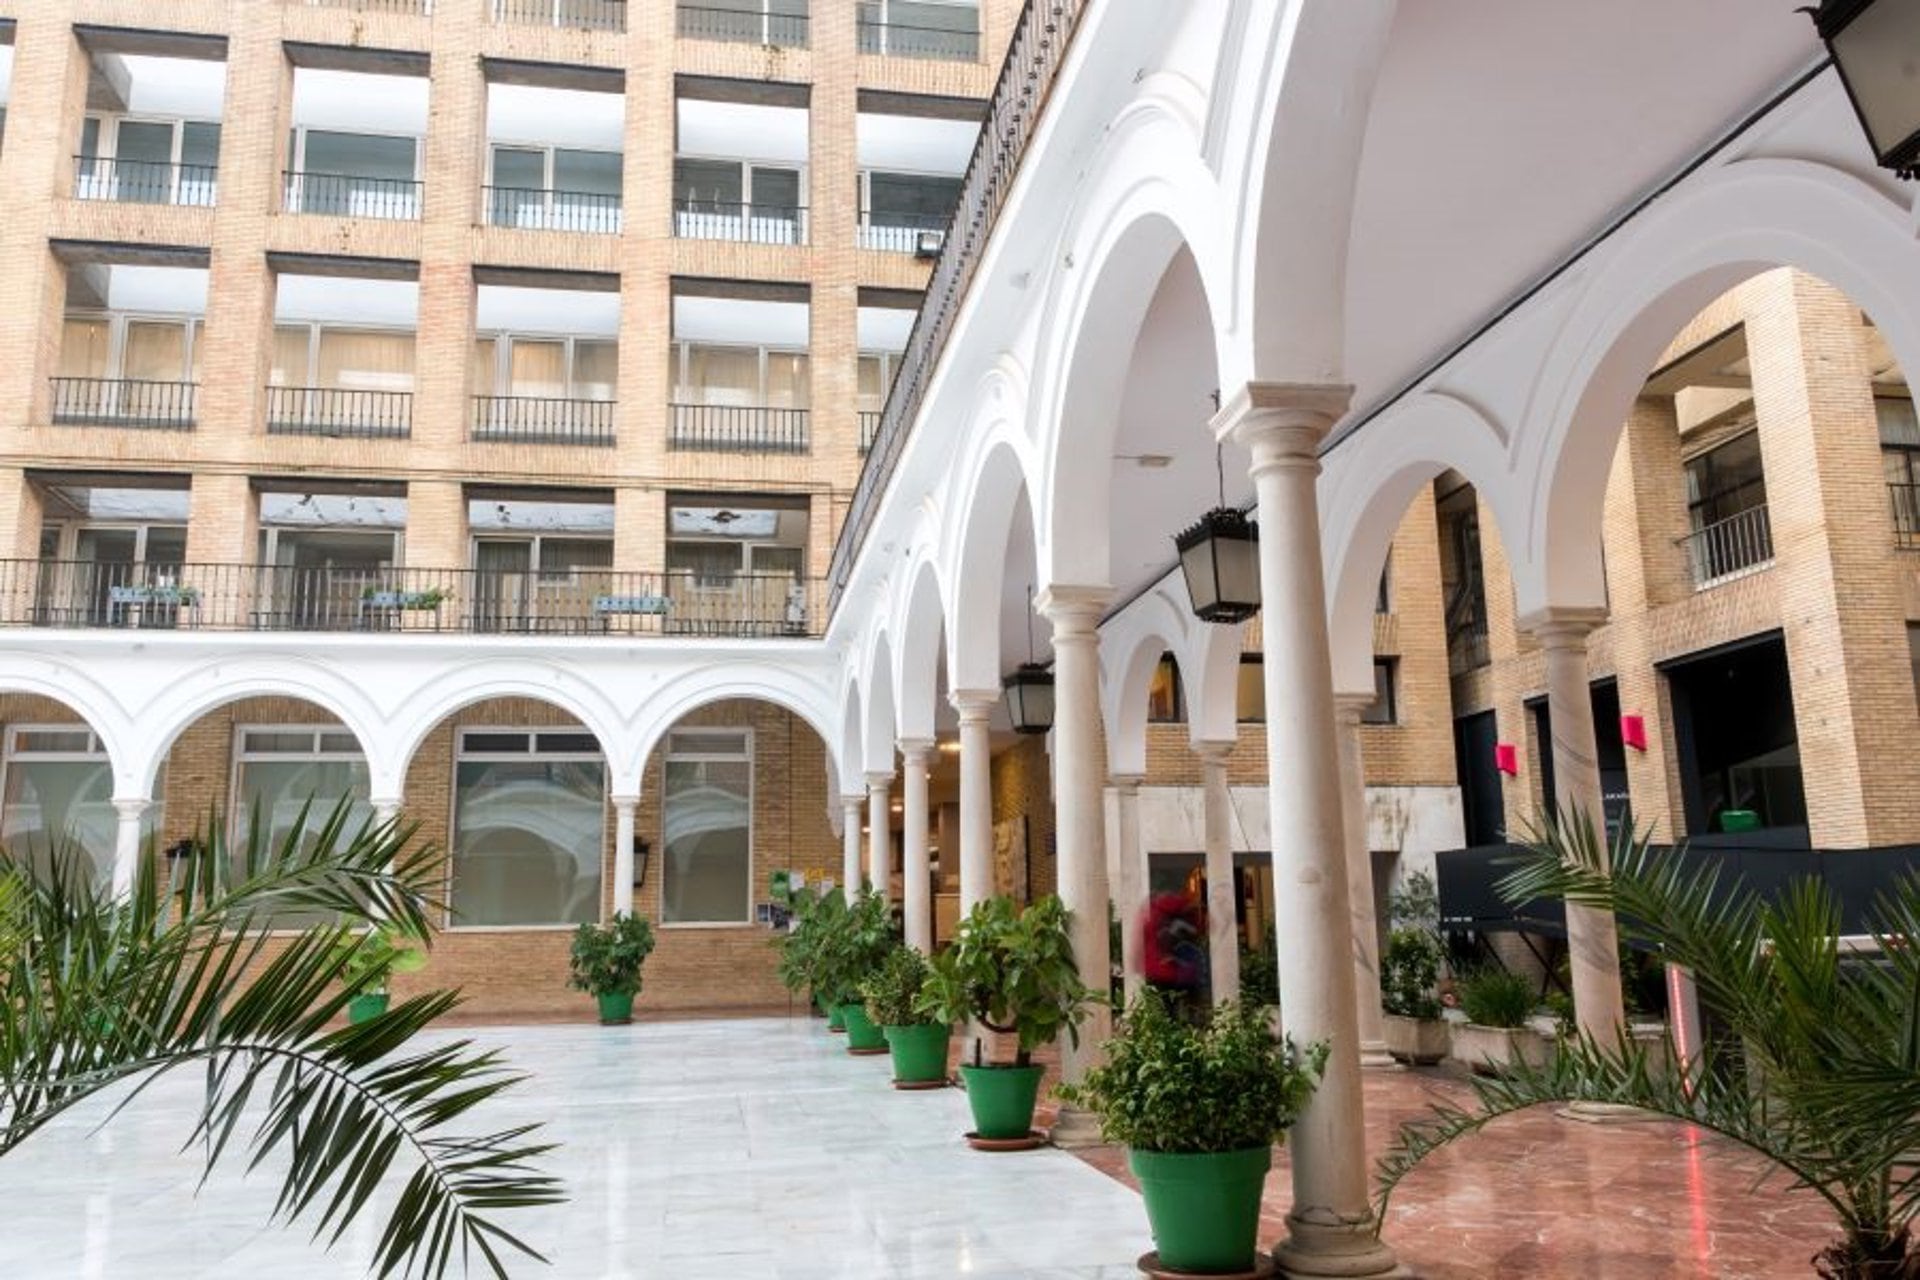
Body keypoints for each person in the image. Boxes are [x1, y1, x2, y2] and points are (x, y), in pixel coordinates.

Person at [1139, 889, 1209, 1019]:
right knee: (1186, 1005)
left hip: (1161, 970)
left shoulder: (1153, 915)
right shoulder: (1177, 916)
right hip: (1175, 971)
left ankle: (1177, 1028)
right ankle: (1191, 1026)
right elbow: (1194, 934)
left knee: (1168, 1009)